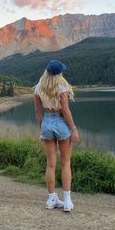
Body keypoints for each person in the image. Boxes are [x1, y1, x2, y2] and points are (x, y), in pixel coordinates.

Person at [33, 59, 80, 212]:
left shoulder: (38, 87)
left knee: (50, 164)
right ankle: (67, 202)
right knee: (66, 163)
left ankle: (51, 199)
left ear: (47, 72)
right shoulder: (62, 86)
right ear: (59, 73)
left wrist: (42, 127)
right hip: (60, 121)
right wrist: (73, 129)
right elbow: (66, 111)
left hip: (46, 122)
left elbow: (37, 111)